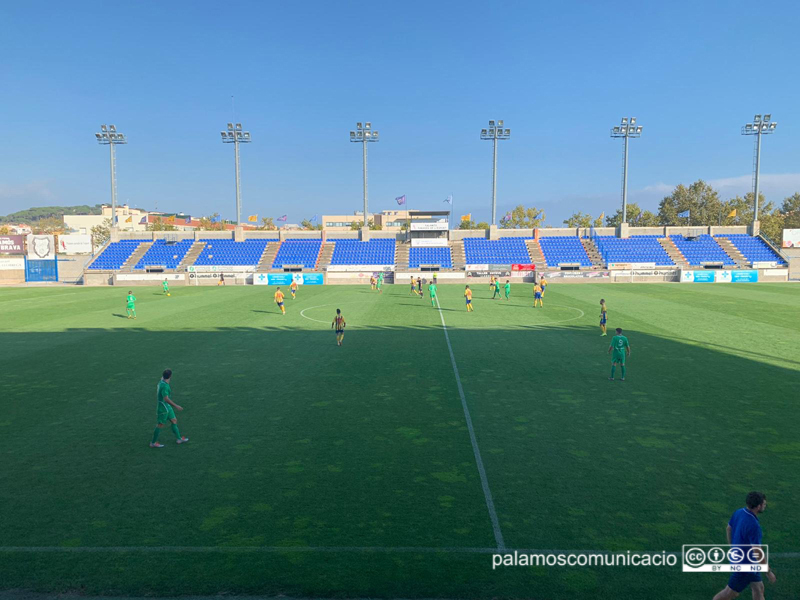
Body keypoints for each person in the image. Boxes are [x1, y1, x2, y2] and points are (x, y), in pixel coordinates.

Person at [711, 492, 775, 600]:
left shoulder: (739, 512)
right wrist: (768, 572)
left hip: (747, 562)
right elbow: (757, 552)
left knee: (758, 588)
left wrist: (733, 548)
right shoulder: (754, 526)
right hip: (745, 566)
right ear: (758, 506)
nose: (765, 506)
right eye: (764, 504)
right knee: (728, 594)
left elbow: (728, 528)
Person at [150, 369, 189, 448]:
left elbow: (163, 377)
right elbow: (166, 399)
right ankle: (153, 443)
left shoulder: (161, 381)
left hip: (167, 407)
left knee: (174, 420)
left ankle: (179, 439)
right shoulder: (165, 386)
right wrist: (176, 406)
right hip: (163, 408)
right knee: (160, 425)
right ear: (170, 376)